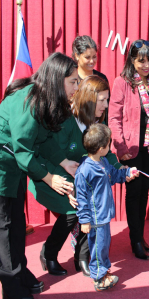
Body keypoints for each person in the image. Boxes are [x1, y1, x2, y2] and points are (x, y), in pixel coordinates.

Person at [29, 76, 128, 277]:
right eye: (102, 100)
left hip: (78, 176)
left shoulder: (96, 121)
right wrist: (69, 187)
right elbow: (50, 153)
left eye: (107, 100)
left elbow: (105, 151)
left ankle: (82, 257)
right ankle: (49, 253)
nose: (106, 105)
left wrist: (119, 167)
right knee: (72, 212)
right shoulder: (66, 120)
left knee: (88, 207)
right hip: (50, 174)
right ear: (89, 99)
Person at [0, 52, 79, 298]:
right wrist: (49, 178)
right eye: (73, 81)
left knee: (17, 226)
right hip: (3, 170)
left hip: (15, 170)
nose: (78, 86)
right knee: (4, 229)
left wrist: (64, 162)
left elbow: (43, 140)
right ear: (57, 80)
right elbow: (23, 150)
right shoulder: (30, 100)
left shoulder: (48, 99)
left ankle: (21, 273)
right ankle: (12, 288)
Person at [109, 39, 149, 260]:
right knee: (133, 194)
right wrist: (120, 147)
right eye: (140, 60)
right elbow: (113, 118)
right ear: (131, 60)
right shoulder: (122, 82)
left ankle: (139, 235)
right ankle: (135, 240)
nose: (145, 65)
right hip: (130, 149)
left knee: (144, 193)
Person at [75, 124, 139, 292]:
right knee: (97, 248)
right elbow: (80, 198)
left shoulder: (103, 162)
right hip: (95, 218)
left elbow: (113, 175)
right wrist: (84, 220)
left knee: (103, 246)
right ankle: (98, 277)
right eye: (109, 143)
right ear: (102, 148)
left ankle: (103, 272)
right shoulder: (84, 170)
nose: (110, 146)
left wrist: (127, 174)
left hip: (103, 216)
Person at [72, 35, 109, 124]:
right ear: (77, 55)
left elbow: (106, 111)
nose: (92, 61)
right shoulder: (71, 78)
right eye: (87, 57)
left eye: (94, 57)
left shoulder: (101, 78)